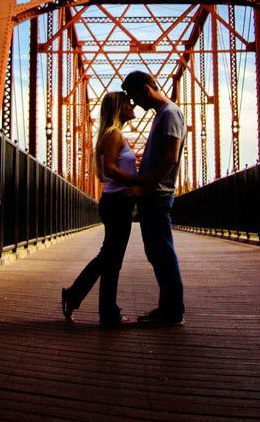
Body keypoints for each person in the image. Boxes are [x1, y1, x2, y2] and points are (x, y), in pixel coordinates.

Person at [60, 91, 138, 327]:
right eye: (128, 102)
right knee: (110, 258)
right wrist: (137, 181)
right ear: (118, 108)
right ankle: (79, 297)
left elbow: (107, 171)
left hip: (115, 202)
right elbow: (110, 170)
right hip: (117, 203)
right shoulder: (113, 135)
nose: (132, 104)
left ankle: (106, 312)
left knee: (111, 259)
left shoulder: (113, 134)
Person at [120, 70, 186, 326]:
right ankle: (167, 309)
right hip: (155, 194)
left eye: (136, 98)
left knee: (163, 253)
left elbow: (171, 157)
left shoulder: (169, 113)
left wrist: (145, 188)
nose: (136, 104)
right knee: (157, 253)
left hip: (157, 195)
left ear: (146, 89)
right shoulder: (164, 114)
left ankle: (172, 312)